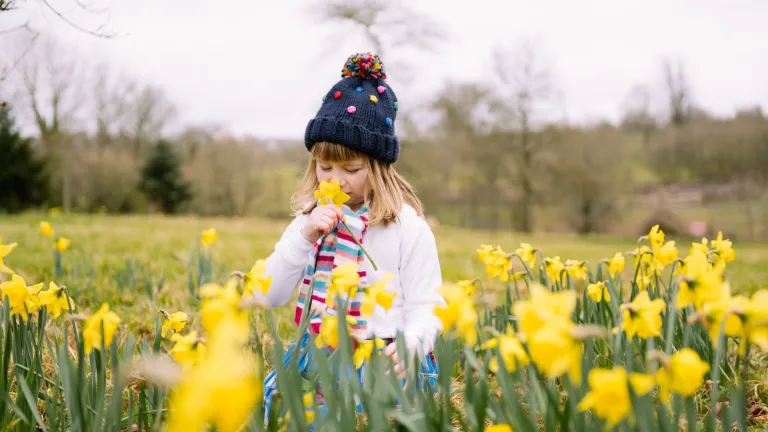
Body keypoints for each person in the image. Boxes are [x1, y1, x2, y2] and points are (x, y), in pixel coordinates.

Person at [260, 53, 445, 421]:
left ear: (378, 167)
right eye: (325, 167)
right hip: (322, 350)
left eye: (352, 169)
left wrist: (411, 346)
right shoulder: (307, 222)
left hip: (388, 356)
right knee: (291, 414)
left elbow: (428, 307)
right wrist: (305, 237)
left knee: (363, 416)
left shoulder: (407, 227)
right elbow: (270, 293)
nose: (335, 180)